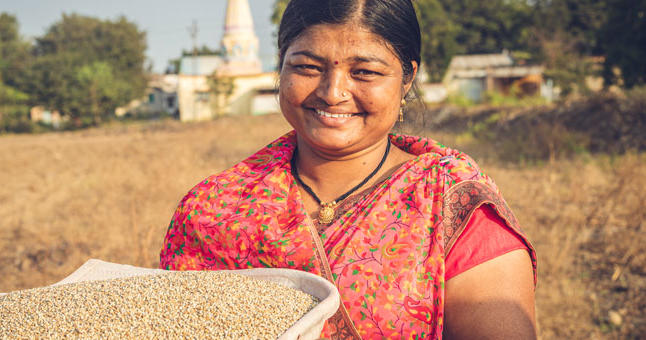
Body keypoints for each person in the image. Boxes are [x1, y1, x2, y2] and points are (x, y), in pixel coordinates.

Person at [160, 0, 537, 338]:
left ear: (407, 80)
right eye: (307, 67)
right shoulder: (214, 208)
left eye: (365, 73)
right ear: (281, 67)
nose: (333, 91)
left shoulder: (450, 202)